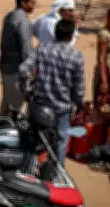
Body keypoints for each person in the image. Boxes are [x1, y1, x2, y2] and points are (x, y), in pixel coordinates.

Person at [19, 19, 84, 165]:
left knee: (34, 137)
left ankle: (28, 169)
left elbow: (23, 69)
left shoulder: (42, 48)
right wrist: (79, 104)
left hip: (39, 105)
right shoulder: (76, 56)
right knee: (61, 141)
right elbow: (78, 87)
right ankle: (57, 173)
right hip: (62, 108)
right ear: (70, 36)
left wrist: (27, 89)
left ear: (55, 33)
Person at [0, 0, 36, 117]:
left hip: (5, 64)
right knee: (16, 106)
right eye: (32, 3)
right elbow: (26, 48)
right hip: (16, 68)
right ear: (23, 3)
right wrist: (31, 69)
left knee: (6, 101)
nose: (33, 6)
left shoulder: (9, 16)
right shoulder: (23, 21)